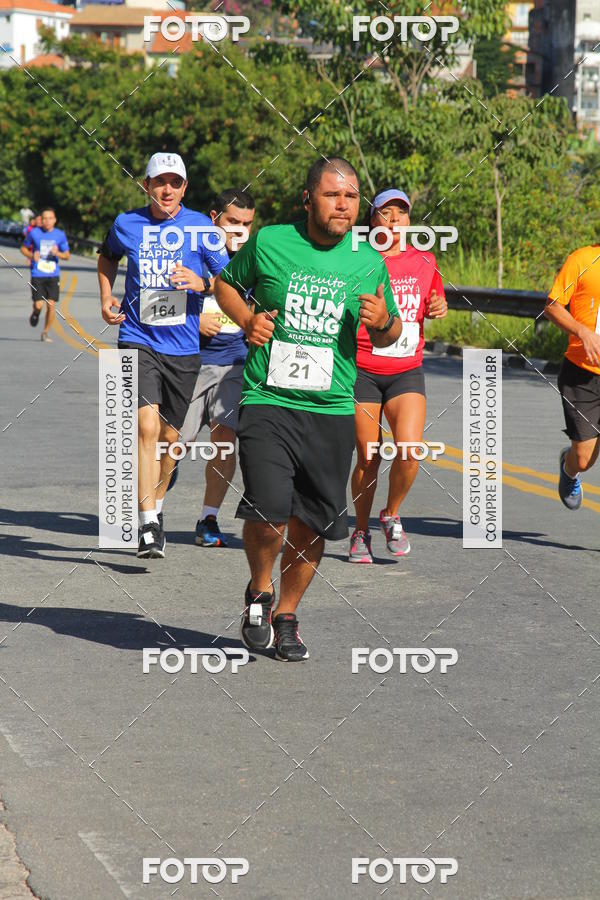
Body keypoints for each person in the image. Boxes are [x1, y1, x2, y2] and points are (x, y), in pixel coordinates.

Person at [214, 157, 401, 661]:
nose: (343, 205)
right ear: (308, 199)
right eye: (331, 195)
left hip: (332, 408)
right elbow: (226, 284)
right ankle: (259, 590)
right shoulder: (272, 241)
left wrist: (384, 322)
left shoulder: (367, 260)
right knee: (270, 511)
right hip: (268, 399)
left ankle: (287, 614)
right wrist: (248, 319)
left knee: (312, 525)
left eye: (351, 196)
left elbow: (391, 332)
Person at [98, 152, 229, 558]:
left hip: (185, 348)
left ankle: (156, 505)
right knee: (145, 429)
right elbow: (107, 258)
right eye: (159, 182)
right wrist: (106, 296)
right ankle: (148, 524)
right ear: (146, 185)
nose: (166, 189)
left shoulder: (201, 228)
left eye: (175, 182)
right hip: (138, 339)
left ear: (184, 188)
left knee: (171, 440)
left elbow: (228, 280)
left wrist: (202, 281)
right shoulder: (127, 223)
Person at [349, 188, 447, 562]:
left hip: (406, 369)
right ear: (372, 221)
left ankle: (390, 514)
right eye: (385, 213)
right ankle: (360, 532)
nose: (393, 220)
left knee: (409, 451)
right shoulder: (357, 259)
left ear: (409, 221)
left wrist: (439, 305)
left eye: (401, 214)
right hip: (364, 369)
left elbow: (434, 299)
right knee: (368, 456)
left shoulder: (424, 260)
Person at [176, 188, 256, 547]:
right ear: (213, 219)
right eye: (232, 222)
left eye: (246, 224)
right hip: (189, 362)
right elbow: (150, 305)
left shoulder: (256, 259)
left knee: (225, 444)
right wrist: (192, 323)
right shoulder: (188, 251)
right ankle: (153, 513)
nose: (239, 230)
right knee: (175, 444)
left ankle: (208, 519)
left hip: (235, 364)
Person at [545, 245, 600, 508]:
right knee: (584, 459)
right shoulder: (583, 260)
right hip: (583, 374)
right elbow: (553, 306)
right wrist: (583, 332)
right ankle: (569, 469)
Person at [21, 208, 70, 342]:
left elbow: (67, 255)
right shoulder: (34, 233)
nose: (47, 221)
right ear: (41, 220)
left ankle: (46, 332)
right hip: (37, 273)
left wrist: (57, 253)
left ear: (55, 220)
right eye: (44, 218)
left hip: (53, 274)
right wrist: (32, 255)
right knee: (38, 305)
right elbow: (23, 248)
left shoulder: (59, 235)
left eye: (50, 218)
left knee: (51, 305)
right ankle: (36, 313)